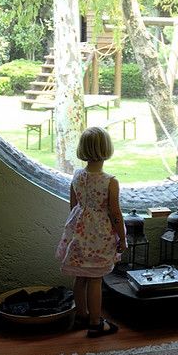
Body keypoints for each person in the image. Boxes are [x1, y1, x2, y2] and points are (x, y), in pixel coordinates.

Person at [56, 126, 128, 337]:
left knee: (80, 276)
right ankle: (95, 323)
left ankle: (81, 315)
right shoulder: (110, 181)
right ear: (107, 149)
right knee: (96, 278)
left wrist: (77, 228)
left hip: (78, 234)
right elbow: (115, 214)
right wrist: (122, 238)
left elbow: (73, 205)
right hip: (98, 236)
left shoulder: (77, 175)